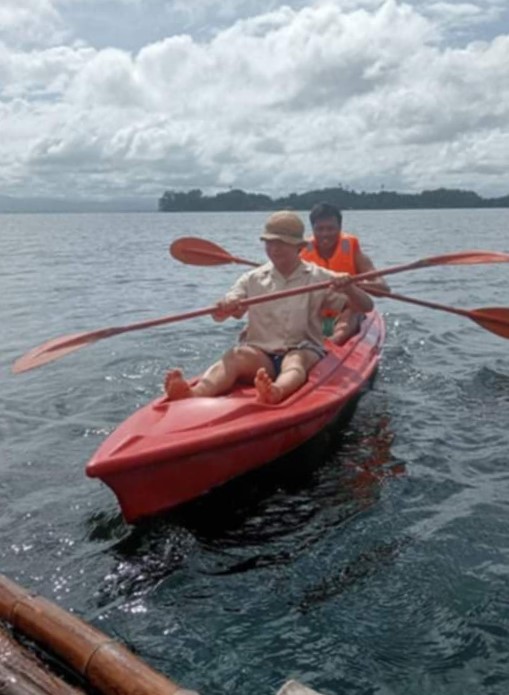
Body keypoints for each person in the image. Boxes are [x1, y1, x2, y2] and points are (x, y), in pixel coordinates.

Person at [164, 210, 374, 405]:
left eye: (281, 243)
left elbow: (366, 306)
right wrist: (224, 306)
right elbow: (221, 315)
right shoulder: (252, 279)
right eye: (269, 243)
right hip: (262, 353)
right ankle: (194, 393)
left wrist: (350, 288)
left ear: (298, 247)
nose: (274, 249)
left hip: (303, 349)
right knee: (235, 355)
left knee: (295, 360)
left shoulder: (320, 277)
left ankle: (277, 391)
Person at [300, 202, 389, 344]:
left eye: (331, 229)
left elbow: (383, 289)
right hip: (317, 311)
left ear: (340, 228)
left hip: (346, 310)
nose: (325, 234)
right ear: (313, 229)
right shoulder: (301, 251)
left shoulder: (353, 252)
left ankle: (331, 343)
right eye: (320, 229)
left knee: (349, 312)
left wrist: (353, 285)